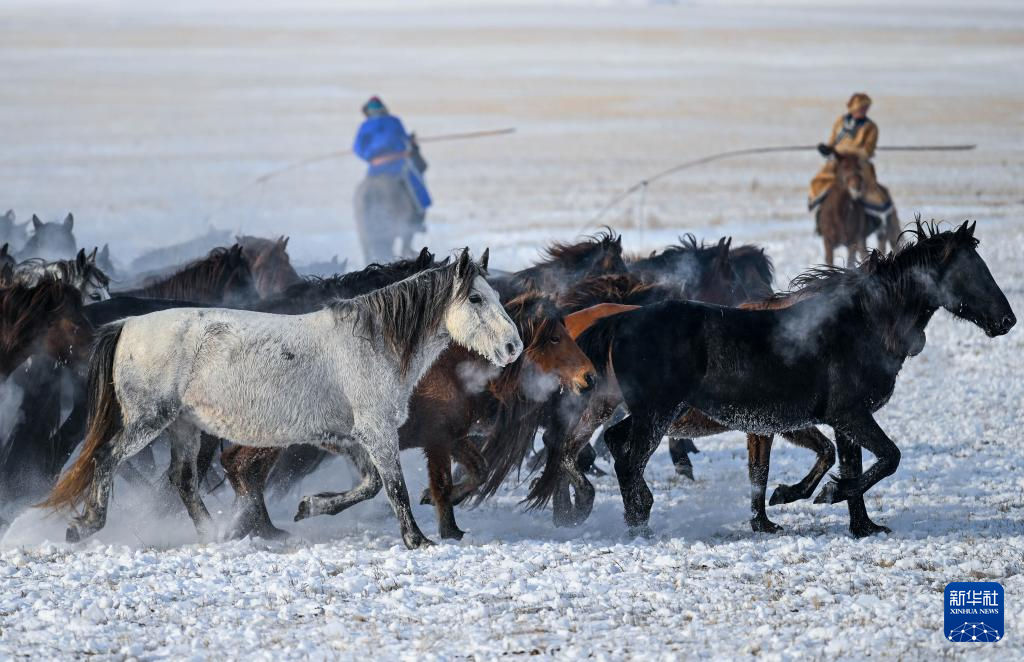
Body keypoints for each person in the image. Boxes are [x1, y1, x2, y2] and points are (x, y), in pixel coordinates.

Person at [351, 96, 431, 262]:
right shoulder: (394, 121)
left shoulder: (364, 126)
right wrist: (410, 143)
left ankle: (367, 254)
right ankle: (416, 223)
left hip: (374, 170)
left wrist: (371, 156)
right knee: (417, 188)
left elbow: (358, 149)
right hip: (396, 167)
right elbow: (403, 141)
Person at [808, 93, 894, 225]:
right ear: (853, 107)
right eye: (861, 107)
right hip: (838, 160)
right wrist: (826, 150)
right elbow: (832, 142)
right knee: (819, 181)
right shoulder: (840, 122)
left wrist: (845, 152)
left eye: (866, 108)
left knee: (867, 186)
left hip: (859, 162)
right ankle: (820, 212)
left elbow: (867, 150)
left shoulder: (871, 127)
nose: (864, 110)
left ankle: (875, 218)